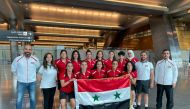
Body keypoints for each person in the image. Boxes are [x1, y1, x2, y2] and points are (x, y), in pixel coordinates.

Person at [11, 44, 40, 109]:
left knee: (32, 99)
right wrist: (18, 76)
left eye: (29, 49)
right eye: (26, 49)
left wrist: (36, 74)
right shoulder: (18, 59)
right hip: (21, 82)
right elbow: (13, 69)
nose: (28, 51)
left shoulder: (35, 59)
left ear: (31, 51)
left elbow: (38, 67)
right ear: (23, 50)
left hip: (32, 82)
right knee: (19, 99)